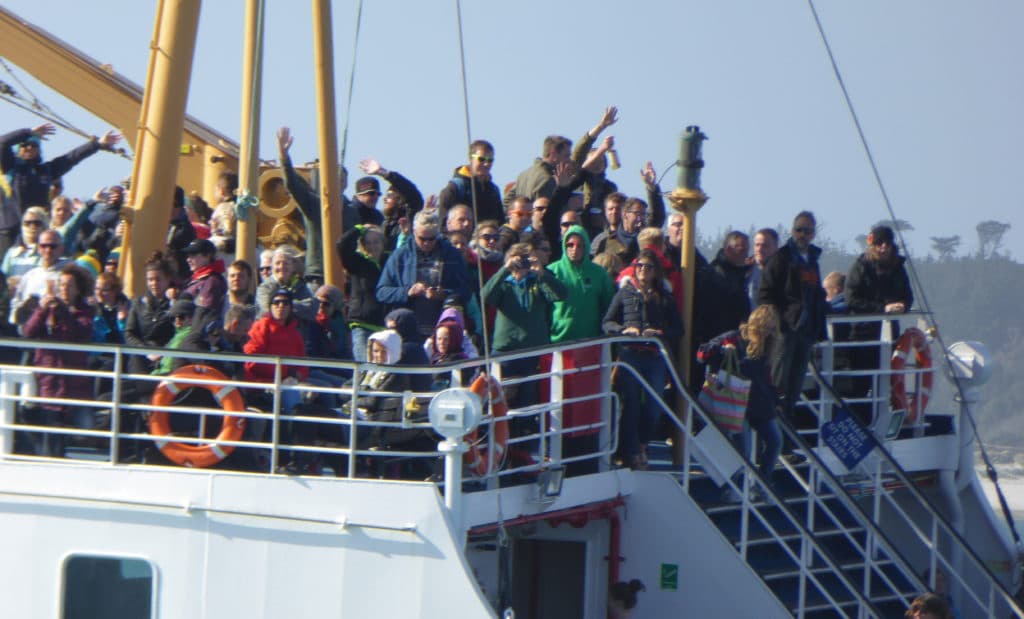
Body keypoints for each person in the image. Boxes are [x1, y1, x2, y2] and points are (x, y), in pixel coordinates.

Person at [603, 249, 683, 469]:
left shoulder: (664, 296)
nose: (643, 271)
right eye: (639, 266)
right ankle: (632, 453)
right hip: (630, 355)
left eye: (648, 267)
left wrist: (659, 333)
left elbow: (678, 329)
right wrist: (623, 330)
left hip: (654, 357)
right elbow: (607, 323)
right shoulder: (625, 292)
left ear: (655, 271)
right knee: (630, 406)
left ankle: (642, 443)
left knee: (653, 408)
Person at [547, 225, 616, 473]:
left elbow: (610, 308)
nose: (574, 249)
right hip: (556, 351)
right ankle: (557, 457)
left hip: (590, 351)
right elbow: (543, 310)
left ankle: (585, 462)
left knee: (586, 409)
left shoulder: (598, 275)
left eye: (579, 245)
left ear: (587, 246)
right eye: (569, 245)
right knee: (558, 408)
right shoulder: (552, 271)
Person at [698, 305, 782, 501]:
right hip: (735, 401)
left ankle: (762, 483)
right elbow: (701, 355)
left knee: (775, 441)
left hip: (758, 402)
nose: (768, 333)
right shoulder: (734, 337)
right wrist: (721, 349)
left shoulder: (769, 345)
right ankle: (734, 487)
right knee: (742, 447)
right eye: (765, 328)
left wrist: (776, 400)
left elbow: (767, 378)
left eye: (771, 329)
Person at [757, 211, 828, 418]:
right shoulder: (781, 258)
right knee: (778, 384)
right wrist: (779, 322)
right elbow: (765, 294)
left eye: (807, 231)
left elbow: (815, 295)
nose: (802, 235)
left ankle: (787, 435)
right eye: (799, 229)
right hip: (785, 331)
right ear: (792, 231)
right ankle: (772, 431)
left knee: (795, 388)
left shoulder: (812, 260)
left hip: (806, 331)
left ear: (813, 234)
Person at [482, 242, 568, 408]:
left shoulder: (538, 281)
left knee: (530, 401)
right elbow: (486, 296)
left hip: (533, 351)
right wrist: (505, 269)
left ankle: (528, 429)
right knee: (501, 402)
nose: (522, 264)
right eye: (519, 260)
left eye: (526, 259)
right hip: (505, 352)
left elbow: (562, 294)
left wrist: (541, 272)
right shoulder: (503, 284)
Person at [21, 264, 95, 456]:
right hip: (48, 380)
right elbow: (28, 332)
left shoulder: (85, 312)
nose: (63, 289)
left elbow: (78, 333)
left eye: (69, 286)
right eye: (61, 285)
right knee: (46, 429)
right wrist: (42, 310)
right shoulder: (46, 309)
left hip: (72, 384)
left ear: (78, 289)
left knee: (68, 430)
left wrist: (63, 310)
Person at [844, 224, 914, 424]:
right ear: (872, 244)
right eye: (879, 243)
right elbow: (851, 299)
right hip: (862, 336)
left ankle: (882, 422)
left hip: (889, 334)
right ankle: (862, 424)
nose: (883, 247)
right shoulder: (860, 266)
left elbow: (908, 296)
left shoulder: (898, 268)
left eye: (887, 243)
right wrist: (883, 308)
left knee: (885, 382)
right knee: (861, 384)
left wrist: (903, 306)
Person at [0, 123, 121, 228]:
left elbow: (71, 158)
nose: (29, 147)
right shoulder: (10, 167)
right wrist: (28, 132)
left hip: (37, 226)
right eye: (25, 145)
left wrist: (97, 144)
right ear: (18, 149)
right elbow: (2, 142)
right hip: (12, 228)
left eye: (34, 145)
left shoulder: (46, 170)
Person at [376, 211, 472, 340]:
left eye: (431, 239)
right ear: (414, 232)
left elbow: (466, 290)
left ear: (437, 234)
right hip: (407, 332)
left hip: (443, 332)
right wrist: (408, 292)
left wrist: (445, 294)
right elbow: (382, 292)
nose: (427, 243)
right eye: (422, 239)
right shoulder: (400, 256)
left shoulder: (452, 255)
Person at [337, 224, 387, 362]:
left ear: (383, 243)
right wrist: (359, 229)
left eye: (376, 242)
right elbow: (342, 245)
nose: (372, 246)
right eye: (368, 243)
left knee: (380, 372)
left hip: (383, 328)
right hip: (362, 326)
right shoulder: (357, 262)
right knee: (364, 368)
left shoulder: (388, 263)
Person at [123, 252, 176, 376]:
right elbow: (129, 333)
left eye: (158, 279)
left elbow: (179, 333)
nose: (154, 284)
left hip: (167, 356)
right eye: (150, 280)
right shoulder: (138, 303)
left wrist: (163, 352)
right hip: (142, 356)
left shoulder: (176, 304)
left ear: (168, 279)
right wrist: (145, 351)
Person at [10, 228, 69, 328]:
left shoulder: (71, 273)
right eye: (43, 246)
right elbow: (15, 311)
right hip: (32, 332)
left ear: (61, 248)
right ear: (38, 248)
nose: (48, 250)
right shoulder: (30, 276)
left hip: (61, 332)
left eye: (52, 246)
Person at [438, 139, 504, 224]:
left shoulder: (494, 190)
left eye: (490, 160)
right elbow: (443, 224)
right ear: (470, 159)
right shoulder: (455, 188)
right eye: (481, 159)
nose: (486, 164)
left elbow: (500, 222)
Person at [255, 245, 316, 322]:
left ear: (293, 267)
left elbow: (312, 309)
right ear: (272, 267)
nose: (281, 267)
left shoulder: (299, 285)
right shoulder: (264, 287)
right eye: (277, 263)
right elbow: (268, 311)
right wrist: (297, 306)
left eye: (286, 263)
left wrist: (285, 305)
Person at [181, 239, 227, 324]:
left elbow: (205, 315)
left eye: (193, 255)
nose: (188, 260)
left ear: (208, 256)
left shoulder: (212, 281)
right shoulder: (198, 279)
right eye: (188, 256)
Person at [2, 206, 48, 279]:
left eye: (37, 223)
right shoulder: (12, 253)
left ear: (44, 226)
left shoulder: (49, 251)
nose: (32, 226)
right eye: (27, 223)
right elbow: (3, 278)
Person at [748, 228, 779, 308]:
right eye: (757, 245)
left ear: (776, 248)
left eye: (765, 246)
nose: (759, 249)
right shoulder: (745, 270)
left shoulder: (784, 274)